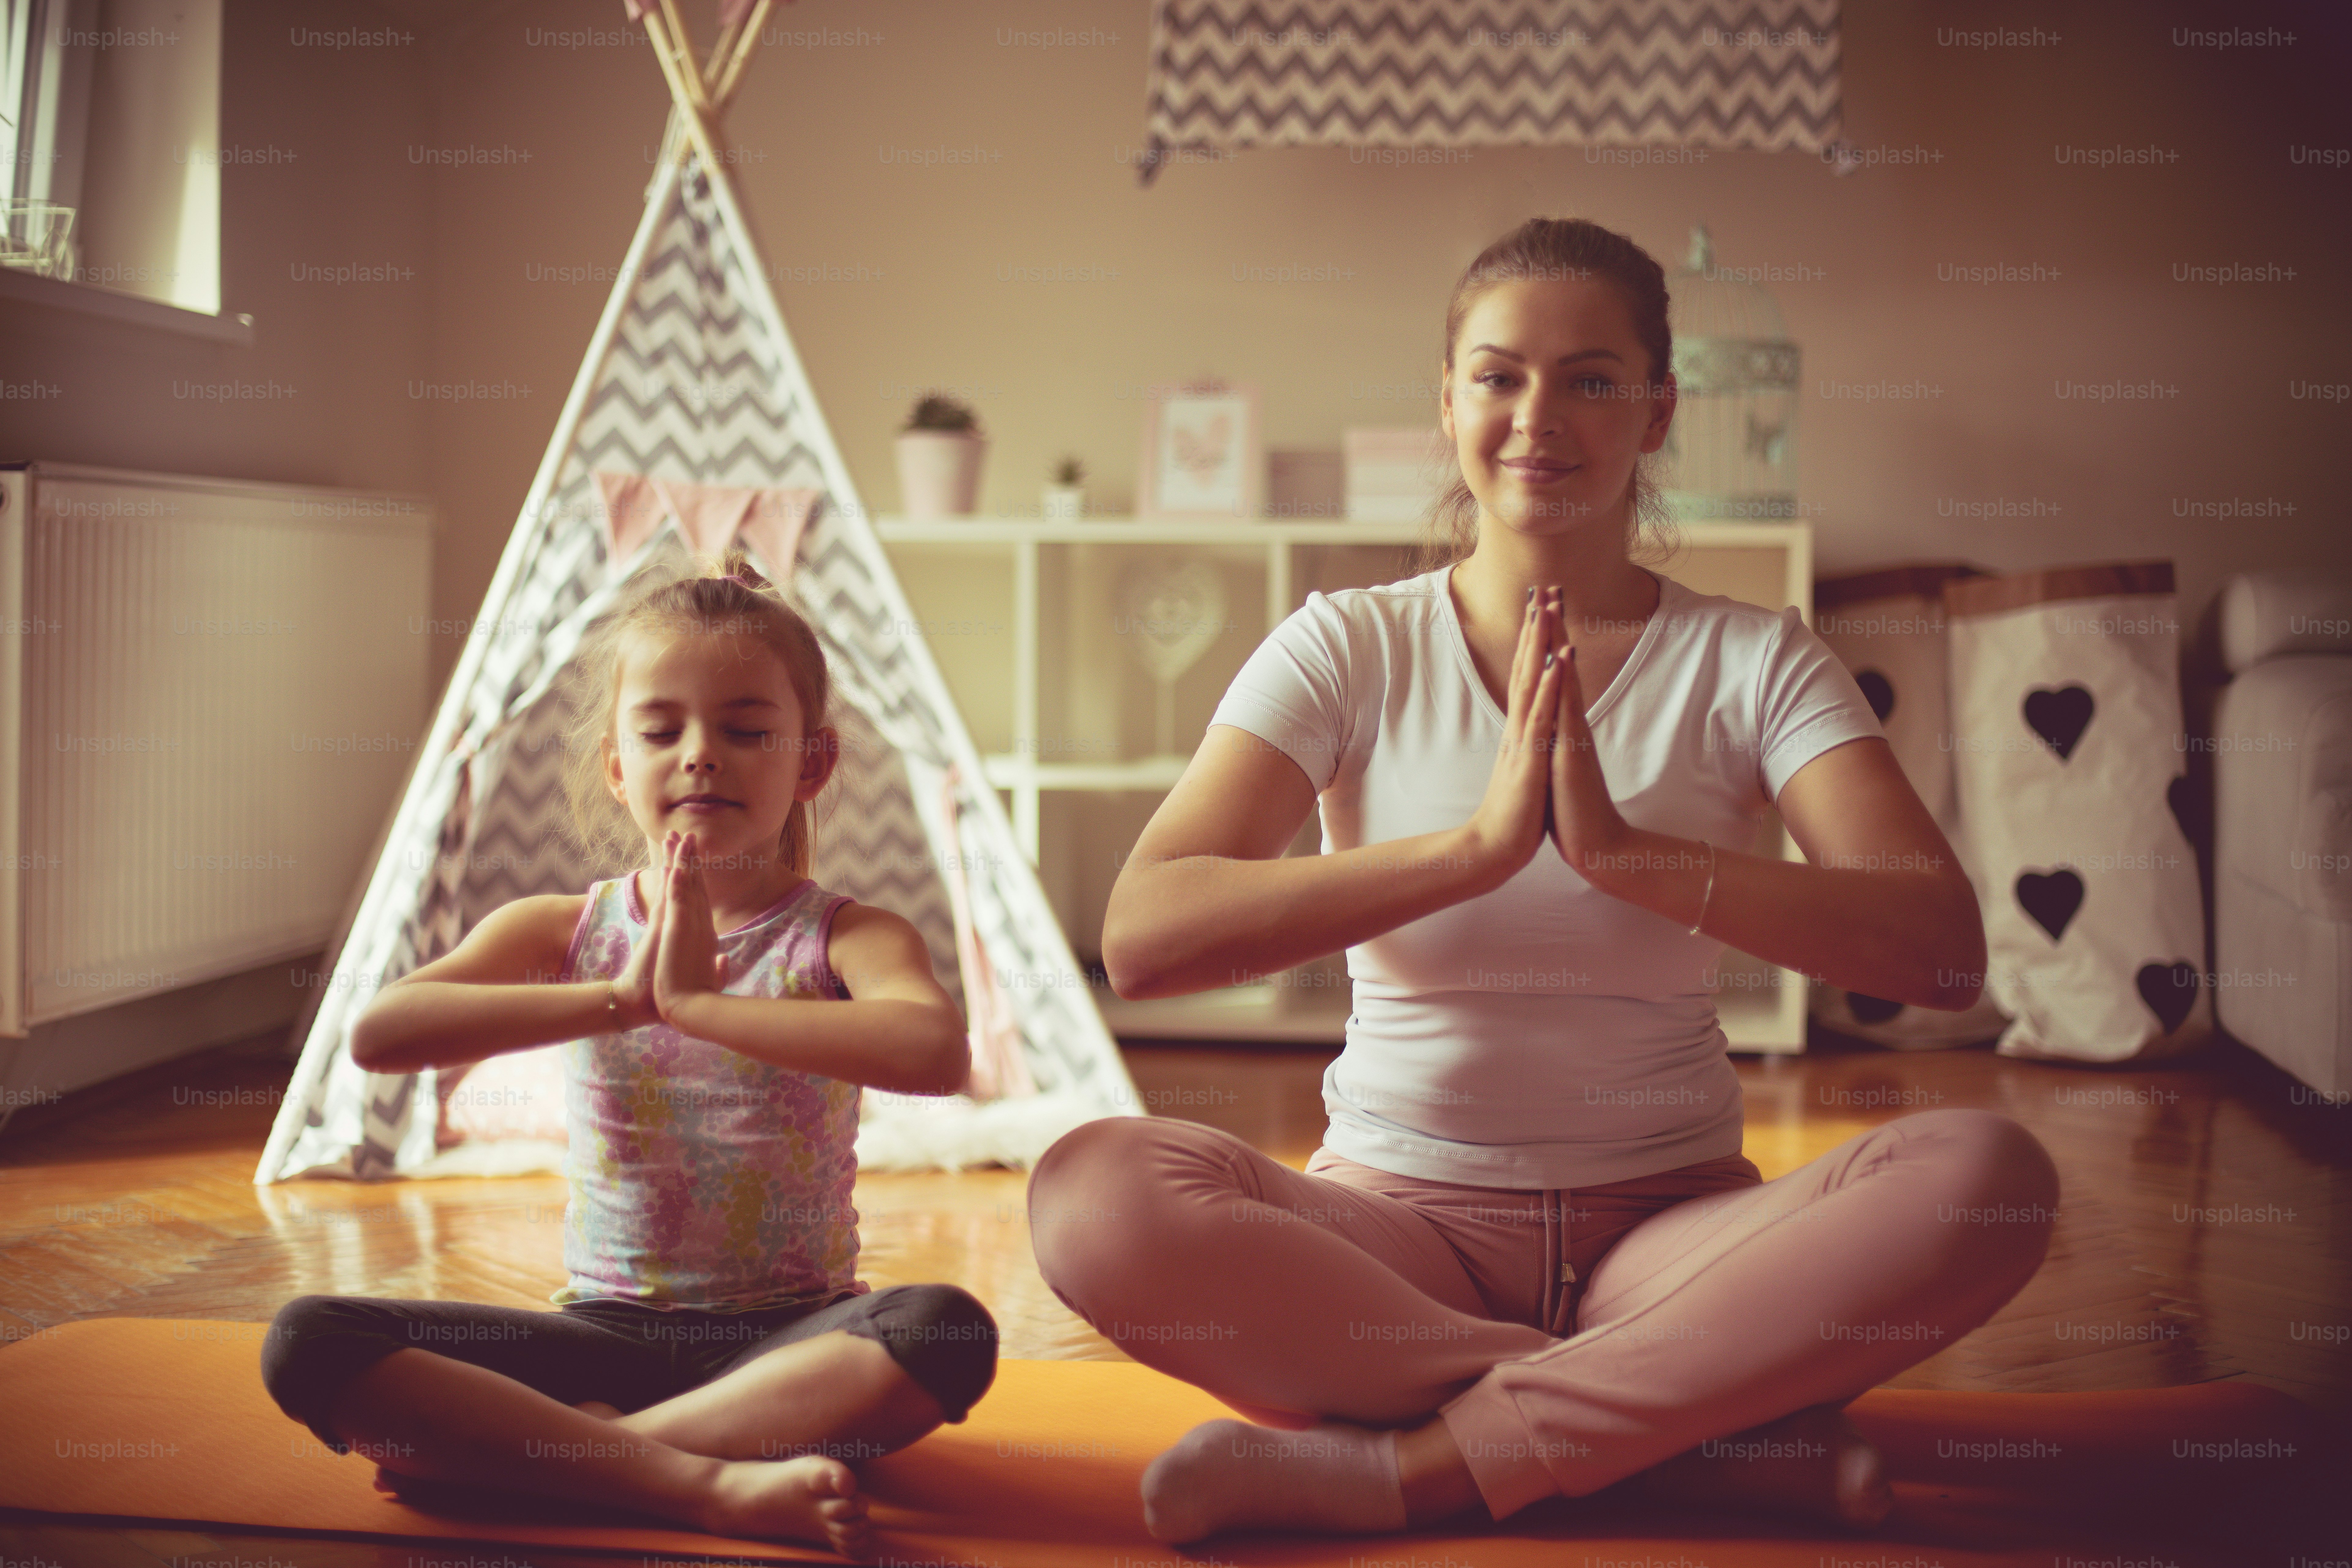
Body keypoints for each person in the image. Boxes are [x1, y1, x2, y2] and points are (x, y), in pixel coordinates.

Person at [1025, 217, 2061, 1545]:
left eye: (1589, 379)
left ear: (1657, 411)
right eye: (1498, 376)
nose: (1537, 417)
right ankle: (1675, 1432)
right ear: (1448, 402)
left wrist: (1632, 859)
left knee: (1988, 1174)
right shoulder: (1346, 647)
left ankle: (1412, 1469)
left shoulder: (1756, 662)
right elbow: (1145, 936)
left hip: (1672, 1241)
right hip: (1392, 1245)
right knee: (1091, 1193)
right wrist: (1471, 852)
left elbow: (1941, 951)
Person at [261, 550, 997, 1558]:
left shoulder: (848, 937)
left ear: (812, 764)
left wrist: (702, 1008)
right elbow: (381, 1035)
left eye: (746, 731)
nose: (700, 756)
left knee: (944, 1331)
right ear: (617, 765)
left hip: (791, 1347)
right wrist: (623, 1002)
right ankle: (701, 1483)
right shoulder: (563, 930)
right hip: (600, 1336)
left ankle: (558, 1461)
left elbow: (934, 1054)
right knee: (309, 1340)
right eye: (661, 731)